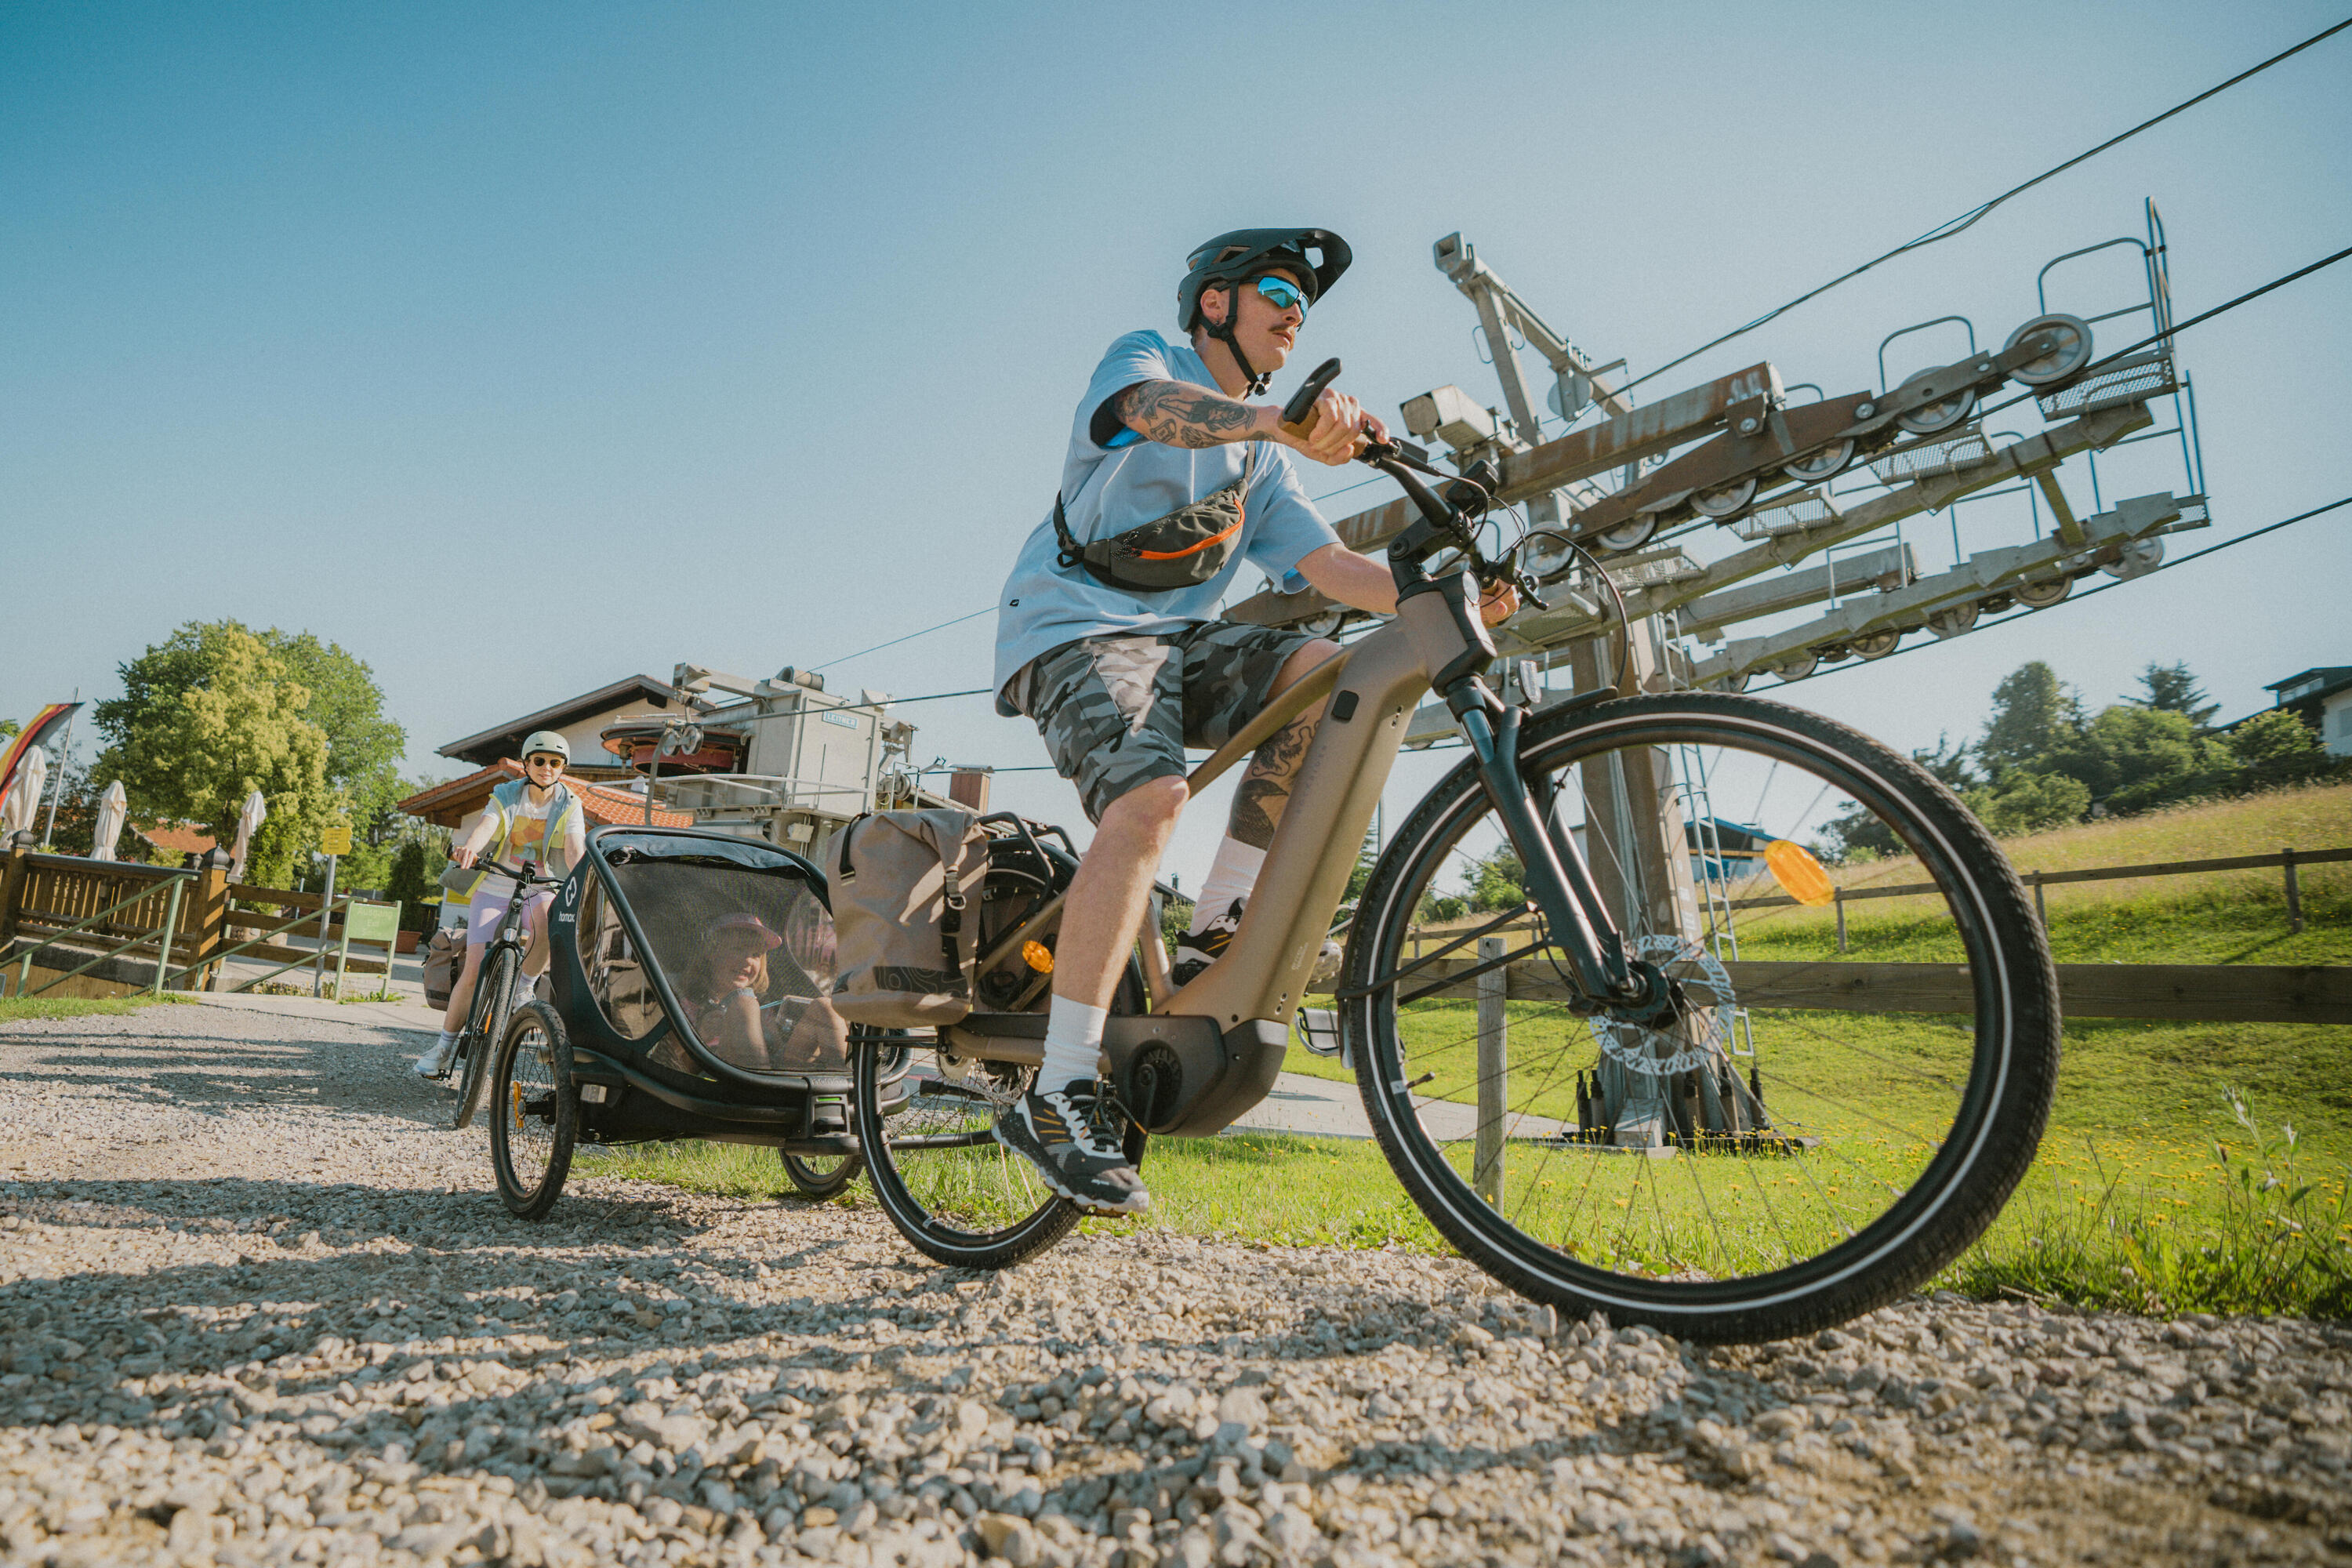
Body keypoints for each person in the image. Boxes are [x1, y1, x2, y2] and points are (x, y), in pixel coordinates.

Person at [989, 228, 1517, 1213]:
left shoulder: (1264, 469)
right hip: (1072, 629)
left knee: (1325, 670)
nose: (1295, 313)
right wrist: (1275, 420)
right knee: (1150, 800)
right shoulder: (1151, 360)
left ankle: (1213, 926)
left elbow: (1332, 573)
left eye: (1306, 306)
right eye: (1278, 291)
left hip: (1178, 638)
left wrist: (1454, 600)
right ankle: (1059, 1087)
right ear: (1217, 304)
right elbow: (1147, 413)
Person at [415, 732, 587, 1079]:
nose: (547, 768)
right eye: (539, 761)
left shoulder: (570, 803)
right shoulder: (507, 795)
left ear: (562, 768)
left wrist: (583, 874)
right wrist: (470, 851)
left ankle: (524, 985)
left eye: (555, 763)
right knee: (474, 966)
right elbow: (486, 826)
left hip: (539, 885)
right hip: (495, 884)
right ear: (526, 764)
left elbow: (574, 849)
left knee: (547, 928)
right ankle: (444, 1046)